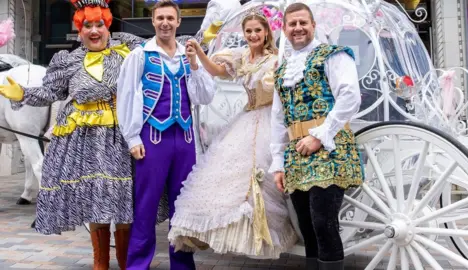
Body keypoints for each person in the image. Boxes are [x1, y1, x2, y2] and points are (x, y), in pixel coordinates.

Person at [0, 0, 145, 269]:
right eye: (87, 25)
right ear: (79, 30)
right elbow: (50, 93)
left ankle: (126, 262)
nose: (93, 30)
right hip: (85, 142)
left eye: (99, 24)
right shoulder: (69, 61)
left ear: (108, 26)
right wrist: (23, 93)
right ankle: (100, 261)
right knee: (96, 200)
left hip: (121, 136)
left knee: (125, 201)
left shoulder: (128, 55)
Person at [167, 7, 297, 259]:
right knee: (225, 174)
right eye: (248, 31)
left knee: (259, 177)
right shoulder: (241, 57)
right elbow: (216, 71)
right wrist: (201, 55)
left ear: (266, 32)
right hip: (246, 119)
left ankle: (261, 234)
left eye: (257, 30)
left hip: (271, 121)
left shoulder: (275, 59)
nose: (252, 35)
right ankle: (218, 227)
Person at [115, 1, 215, 269]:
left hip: (184, 140)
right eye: (160, 18)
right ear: (153, 20)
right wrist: (133, 138)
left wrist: (195, 64)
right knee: (145, 207)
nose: (165, 23)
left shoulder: (188, 55)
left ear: (179, 22)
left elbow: (205, 96)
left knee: (182, 209)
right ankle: (137, 265)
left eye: (170, 18)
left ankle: (182, 265)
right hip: (153, 140)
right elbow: (125, 97)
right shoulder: (140, 55)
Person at [270, 3, 364, 270]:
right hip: (297, 152)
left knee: (324, 222)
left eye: (303, 23)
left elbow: (350, 97)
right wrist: (278, 163)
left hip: (329, 146)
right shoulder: (281, 70)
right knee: (307, 227)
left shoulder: (333, 55)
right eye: (292, 24)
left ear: (313, 25)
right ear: (285, 29)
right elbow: (278, 119)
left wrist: (320, 136)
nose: (298, 28)